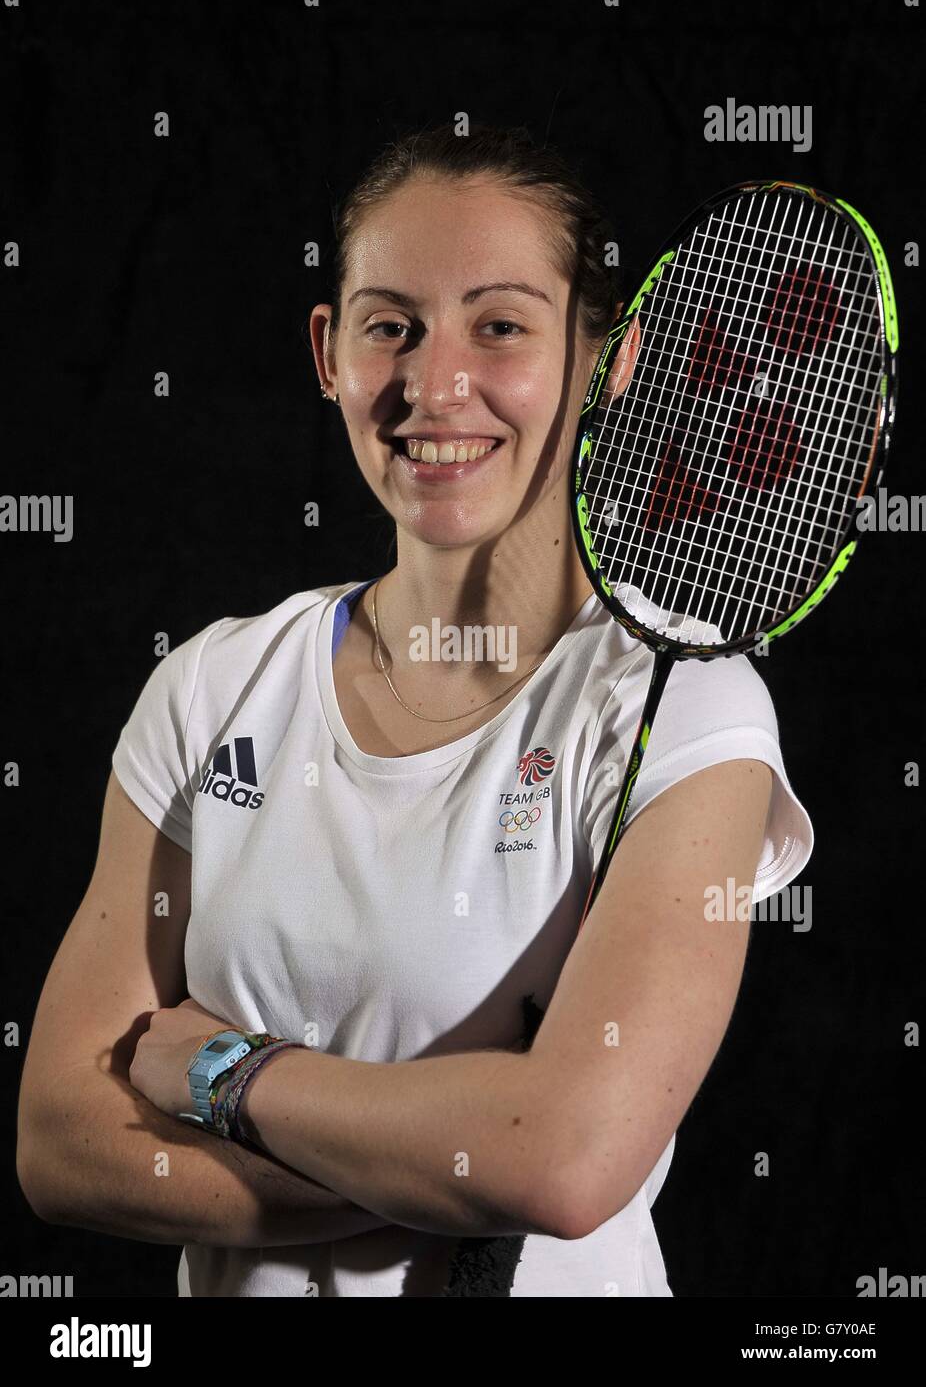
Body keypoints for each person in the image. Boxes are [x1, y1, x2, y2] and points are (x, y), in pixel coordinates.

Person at [17, 122, 813, 1297]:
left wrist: (220, 1074)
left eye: (499, 325)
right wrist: (448, 1164)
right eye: (390, 325)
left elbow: (570, 1159)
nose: (435, 385)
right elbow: (60, 1141)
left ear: (610, 360)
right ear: (328, 351)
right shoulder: (211, 687)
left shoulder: (684, 704)